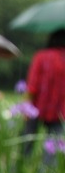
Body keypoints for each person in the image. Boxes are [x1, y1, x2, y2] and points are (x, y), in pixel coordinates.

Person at [23, 28, 65, 164]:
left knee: (26, 145)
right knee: (51, 151)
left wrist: (25, 108)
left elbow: (32, 85)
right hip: (60, 111)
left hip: (35, 107)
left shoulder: (41, 56)